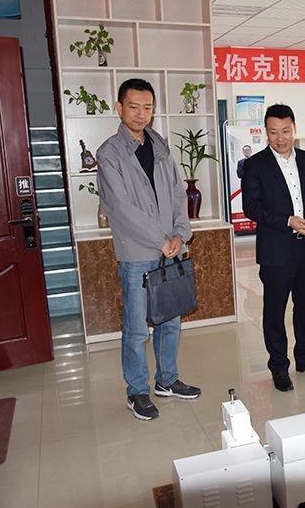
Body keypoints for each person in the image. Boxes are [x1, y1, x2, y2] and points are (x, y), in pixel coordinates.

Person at [97, 78, 201, 421]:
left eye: (147, 107)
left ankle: (167, 380)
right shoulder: (109, 153)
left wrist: (180, 235)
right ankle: (137, 391)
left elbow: (177, 195)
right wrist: (161, 240)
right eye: (133, 107)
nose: (141, 114)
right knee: (137, 329)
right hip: (138, 255)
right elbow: (120, 207)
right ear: (119, 108)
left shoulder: (160, 147)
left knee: (170, 321)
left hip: (170, 249)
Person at [241, 104, 305, 392]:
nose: (280, 138)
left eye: (285, 131)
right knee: (275, 311)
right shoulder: (255, 165)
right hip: (276, 250)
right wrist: (287, 221)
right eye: (273, 132)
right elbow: (251, 207)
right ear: (265, 132)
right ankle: (279, 367)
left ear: (294, 129)